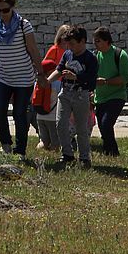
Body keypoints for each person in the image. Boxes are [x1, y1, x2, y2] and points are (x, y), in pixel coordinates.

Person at [0, 0, 46, 157]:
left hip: (24, 77)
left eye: (5, 10)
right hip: (2, 76)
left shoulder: (24, 25)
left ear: (12, 7)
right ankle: (5, 144)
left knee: (19, 113)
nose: (2, 14)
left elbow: (33, 49)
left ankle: (20, 150)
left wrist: (40, 73)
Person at [48, 26, 98, 168]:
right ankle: (67, 154)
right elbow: (59, 70)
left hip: (81, 94)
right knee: (60, 123)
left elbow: (91, 79)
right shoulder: (67, 54)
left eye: (72, 44)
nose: (69, 47)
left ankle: (84, 157)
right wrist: (47, 81)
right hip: (65, 93)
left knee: (81, 127)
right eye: (68, 44)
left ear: (82, 41)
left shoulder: (90, 58)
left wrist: (76, 77)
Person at [92, 26, 128, 156]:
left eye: (98, 41)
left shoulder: (120, 55)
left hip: (117, 95)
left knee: (106, 123)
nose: (95, 44)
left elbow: (125, 78)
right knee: (102, 127)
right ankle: (108, 151)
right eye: (94, 41)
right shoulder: (95, 56)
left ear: (106, 40)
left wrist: (106, 81)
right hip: (100, 97)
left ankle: (113, 152)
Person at [34, 59, 61, 151]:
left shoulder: (37, 83)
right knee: (55, 142)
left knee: (43, 140)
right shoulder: (57, 84)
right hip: (52, 118)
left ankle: (40, 150)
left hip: (40, 116)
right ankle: (53, 152)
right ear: (51, 72)